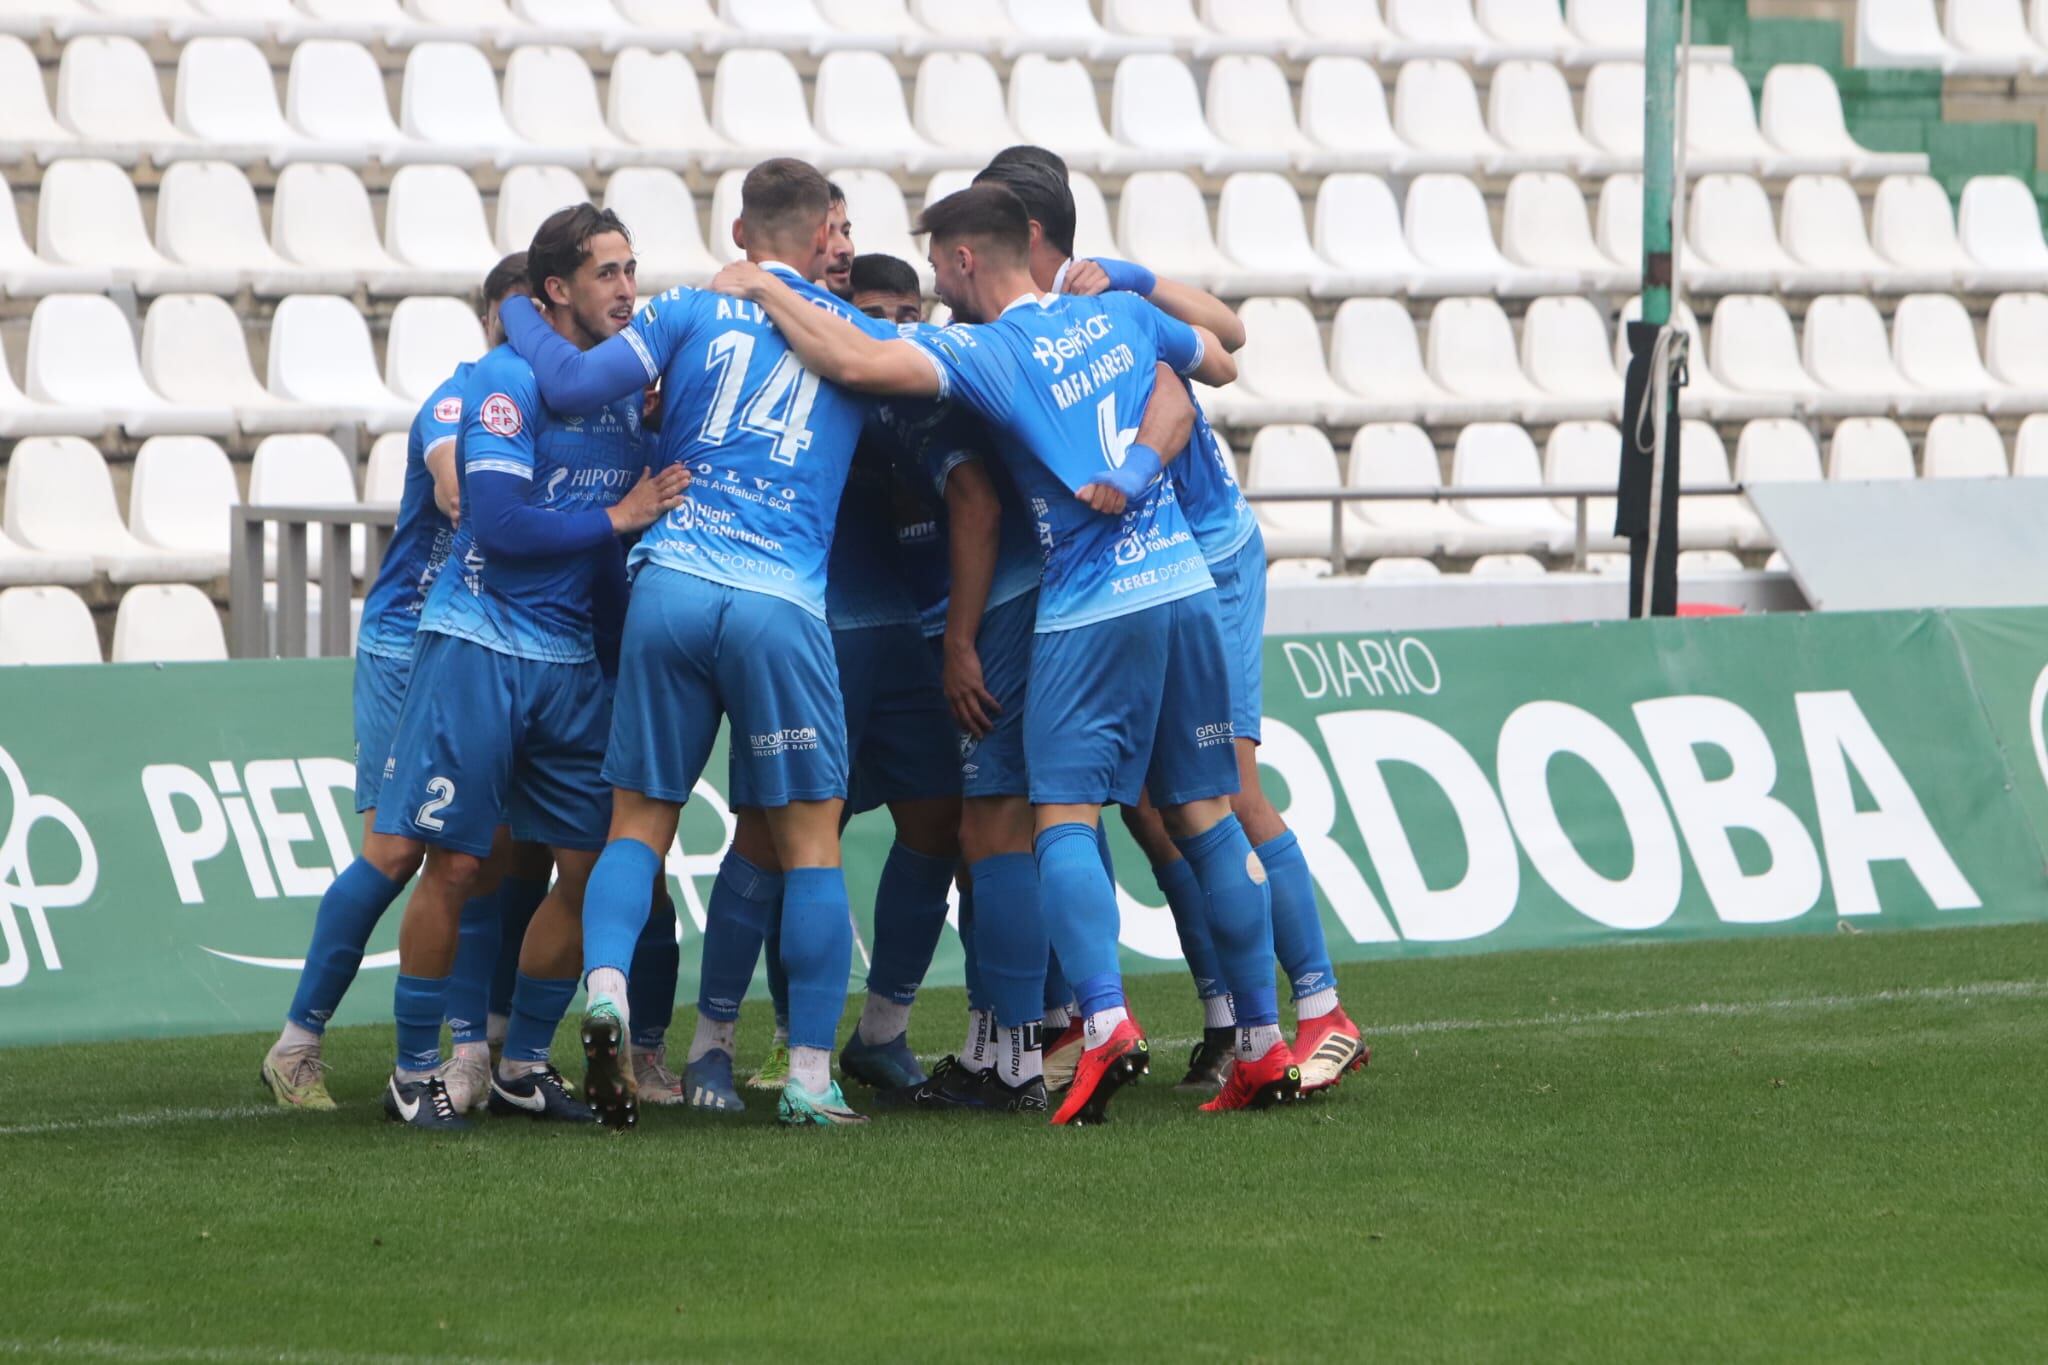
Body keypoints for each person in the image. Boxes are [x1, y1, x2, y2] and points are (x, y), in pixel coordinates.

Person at [713, 184, 1300, 1123]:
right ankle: (1267, 1035)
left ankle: (1070, 1032)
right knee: (1205, 811)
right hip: (1186, 583)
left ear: (967, 259)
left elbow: (857, 357)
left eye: (941, 263)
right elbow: (1221, 355)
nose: (936, 283)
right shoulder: (1114, 311)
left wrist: (763, 288)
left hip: (1076, 602)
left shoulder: (985, 351)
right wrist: (1144, 374)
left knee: (1036, 818)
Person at [491, 158, 898, 1129]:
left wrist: (512, 305)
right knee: (808, 846)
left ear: (740, 233)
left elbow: (575, 375)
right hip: (779, 601)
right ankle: (804, 1074)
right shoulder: (863, 334)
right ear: (818, 239)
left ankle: (606, 988)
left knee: (638, 823)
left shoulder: (684, 311)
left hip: (671, 582)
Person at [976, 148, 1370, 1096]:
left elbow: (1223, 351)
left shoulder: (1098, 308)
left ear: (1023, 238)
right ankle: (1230, 1017)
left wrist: (1142, 281)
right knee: (1162, 806)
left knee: (1225, 788)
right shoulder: (1055, 323)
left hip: (1200, 554)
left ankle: (1318, 1010)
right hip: (1157, 570)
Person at [375, 206, 687, 1131]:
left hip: (570, 664)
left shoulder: (630, 395)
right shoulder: (508, 386)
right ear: (557, 290)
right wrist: (618, 518)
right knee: (457, 862)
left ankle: (520, 1062)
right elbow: (502, 528)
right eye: (606, 273)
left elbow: (603, 555)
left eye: (632, 270)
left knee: (595, 867)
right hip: (479, 643)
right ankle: (413, 1069)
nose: (627, 289)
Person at [260, 254, 552, 1115]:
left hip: (485, 648)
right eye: (522, 312)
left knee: (488, 850)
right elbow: (463, 493)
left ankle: (470, 1053)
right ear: (501, 317)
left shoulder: (550, 407)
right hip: (407, 644)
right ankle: (298, 1042)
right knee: (395, 853)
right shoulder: (461, 398)